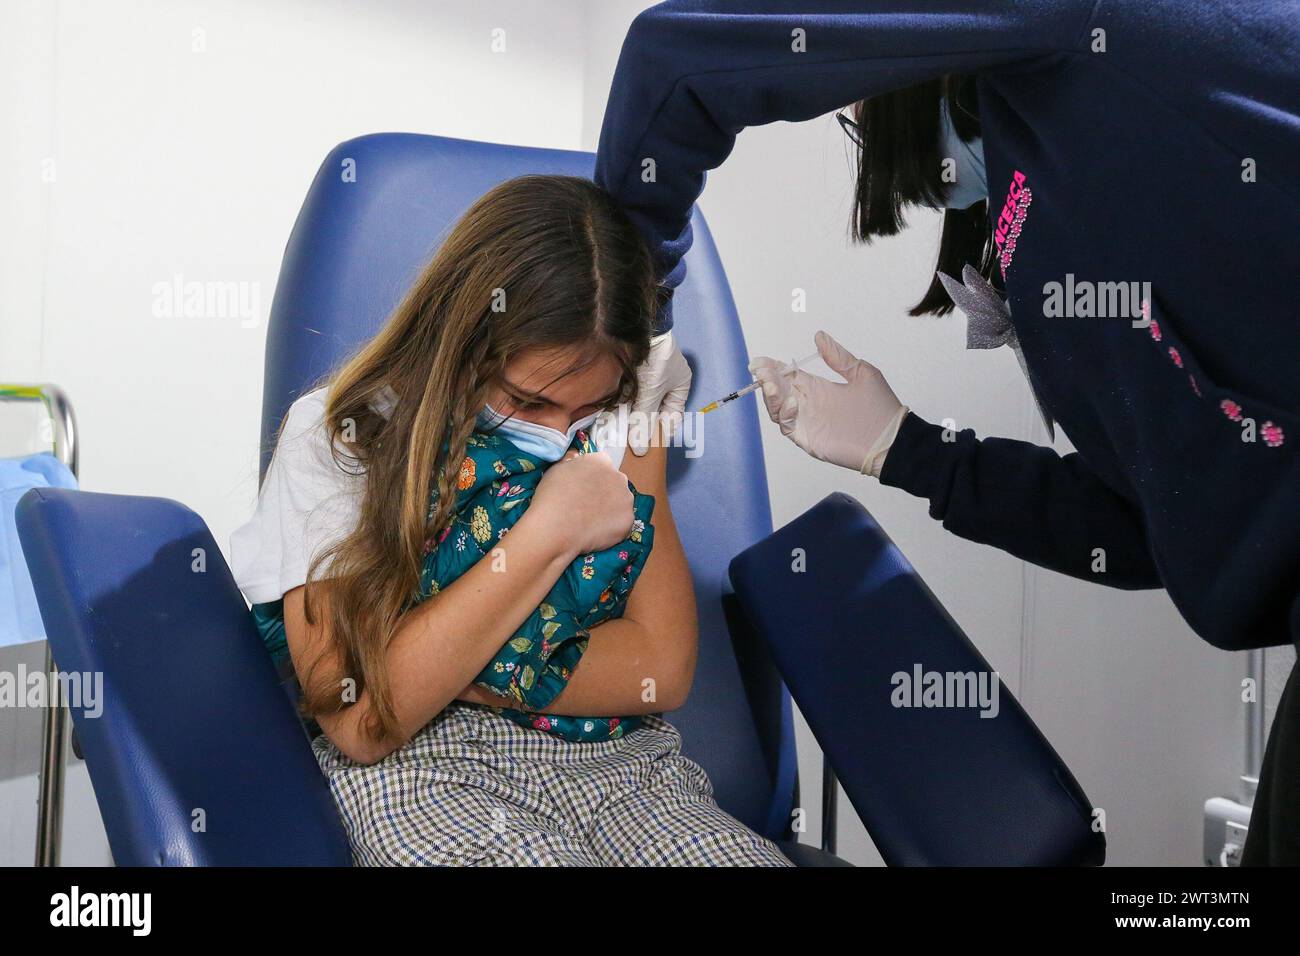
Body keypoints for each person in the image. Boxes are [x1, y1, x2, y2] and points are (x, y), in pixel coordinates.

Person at [594, 0, 1300, 864]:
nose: (855, 109)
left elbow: (672, 57)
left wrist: (634, 312)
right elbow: (1155, 530)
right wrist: (910, 450)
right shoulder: (1082, 166)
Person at [229, 174, 791, 867]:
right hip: (423, 771)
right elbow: (364, 719)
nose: (559, 438)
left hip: (621, 766)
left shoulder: (625, 424)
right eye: (528, 402)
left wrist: (423, 663)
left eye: (585, 411)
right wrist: (548, 533)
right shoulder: (341, 438)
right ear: (460, 340)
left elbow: (661, 670)